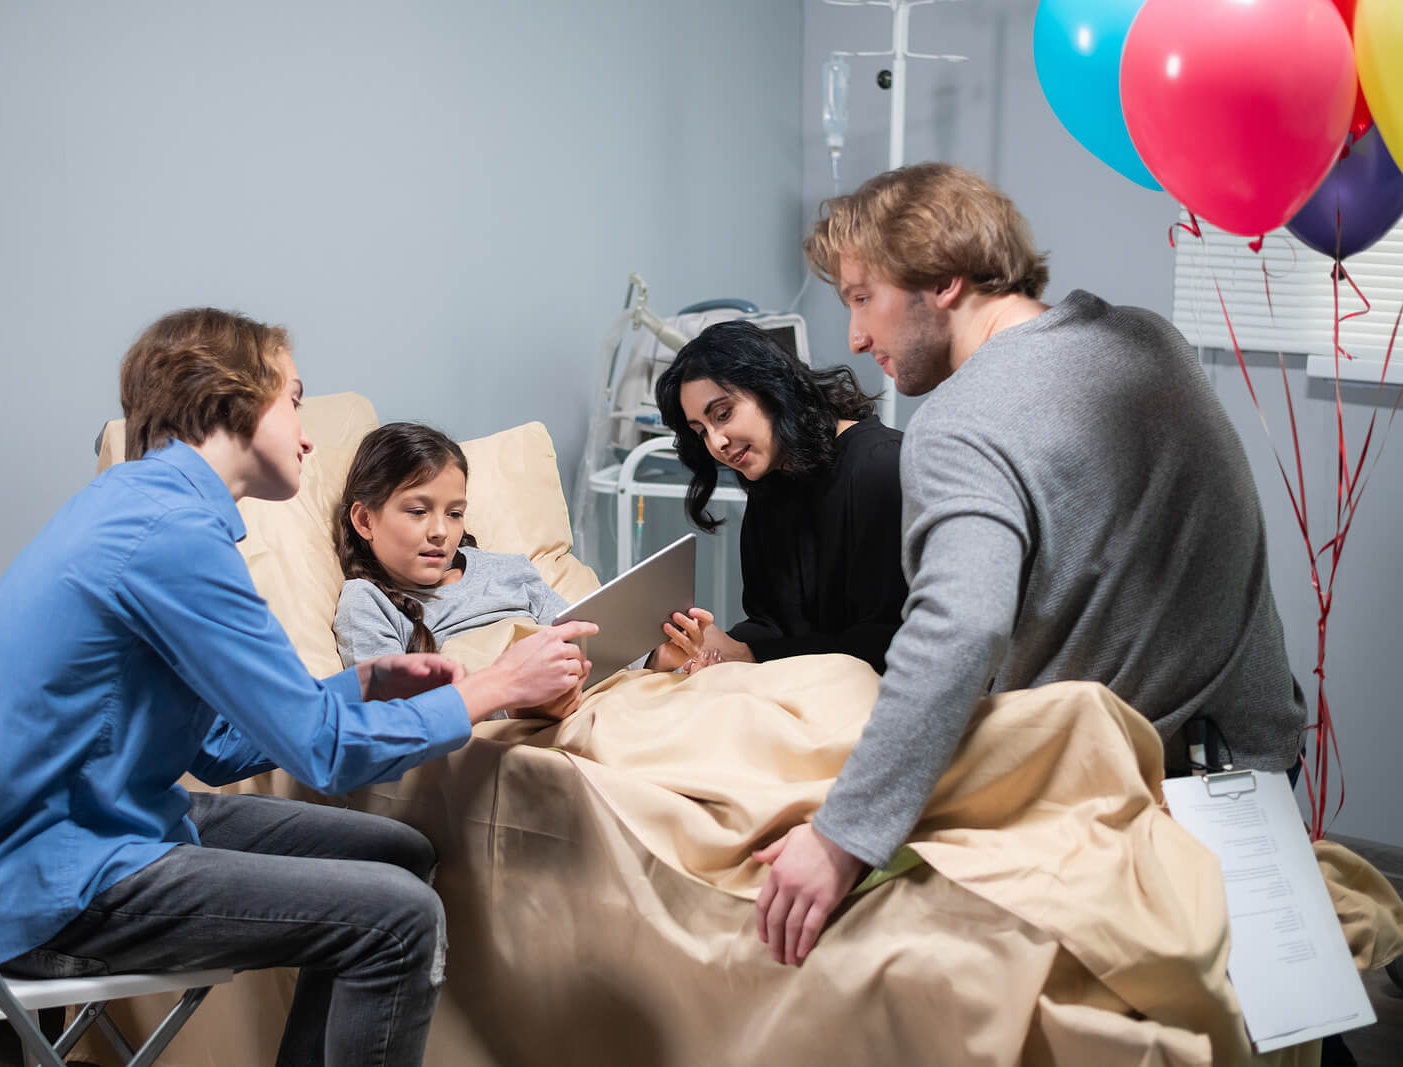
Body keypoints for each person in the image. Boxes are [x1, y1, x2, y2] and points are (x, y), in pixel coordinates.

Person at [0, 308, 595, 1067]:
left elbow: (215, 747)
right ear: (234, 402)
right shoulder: (171, 536)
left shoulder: (143, 506)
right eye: (295, 399)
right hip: (61, 882)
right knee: (400, 917)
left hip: (93, 824)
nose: (308, 433)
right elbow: (324, 752)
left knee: (401, 853)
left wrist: (364, 683)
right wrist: (492, 688)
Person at [752, 163, 1307, 968]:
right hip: (1256, 758)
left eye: (862, 297)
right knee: (1278, 1017)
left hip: (1129, 802)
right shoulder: (1150, 340)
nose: (856, 338)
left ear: (942, 280)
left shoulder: (961, 422)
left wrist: (843, 835)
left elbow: (959, 624)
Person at [334, 422, 695, 716]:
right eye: (418, 511)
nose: (441, 531)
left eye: (455, 513)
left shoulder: (509, 570)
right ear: (365, 520)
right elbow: (396, 720)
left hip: (588, 702)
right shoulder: (368, 601)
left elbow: (586, 657)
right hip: (519, 726)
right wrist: (523, 702)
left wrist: (656, 662)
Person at [651, 320, 907, 673]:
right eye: (701, 432)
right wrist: (718, 649)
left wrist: (749, 655)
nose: (716, 443)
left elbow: (887, 643)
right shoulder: (773, 480)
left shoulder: (881, 468)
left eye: (723, 414)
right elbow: (772, 625)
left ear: (773, 391)